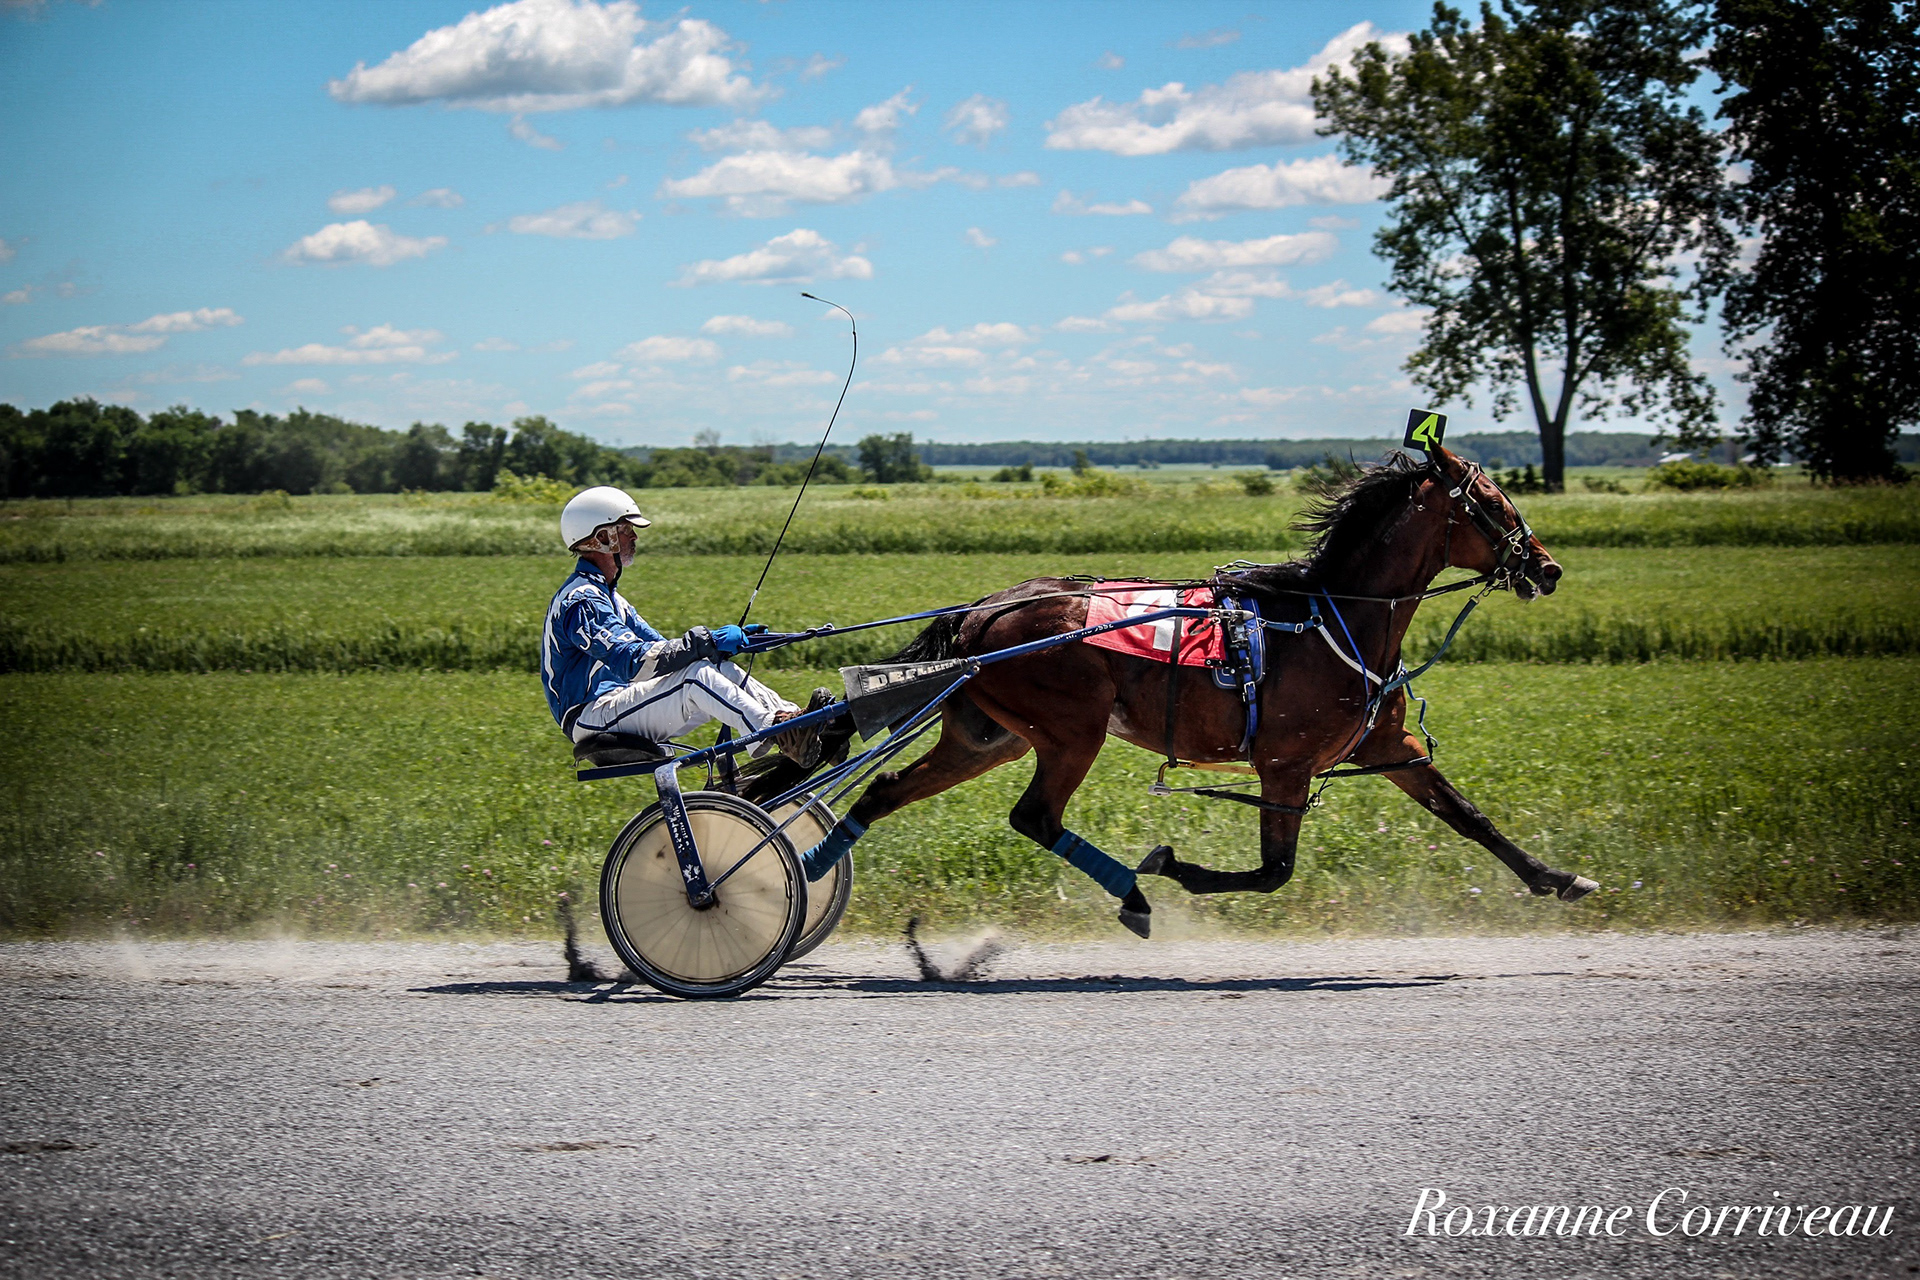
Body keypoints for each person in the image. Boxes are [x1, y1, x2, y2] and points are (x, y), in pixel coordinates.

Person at [542, 486, 830, 765]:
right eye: (626, 530)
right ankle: (774, 730)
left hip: (617, 706)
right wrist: (708, 642)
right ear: (602, 538)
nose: (634, 538)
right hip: (591, 716)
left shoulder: (611, 598)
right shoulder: (581, 601)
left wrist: (721, 646)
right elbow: (636, 662)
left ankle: (802, 723)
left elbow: (662, 651)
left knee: (716, 668)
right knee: (695, 676)